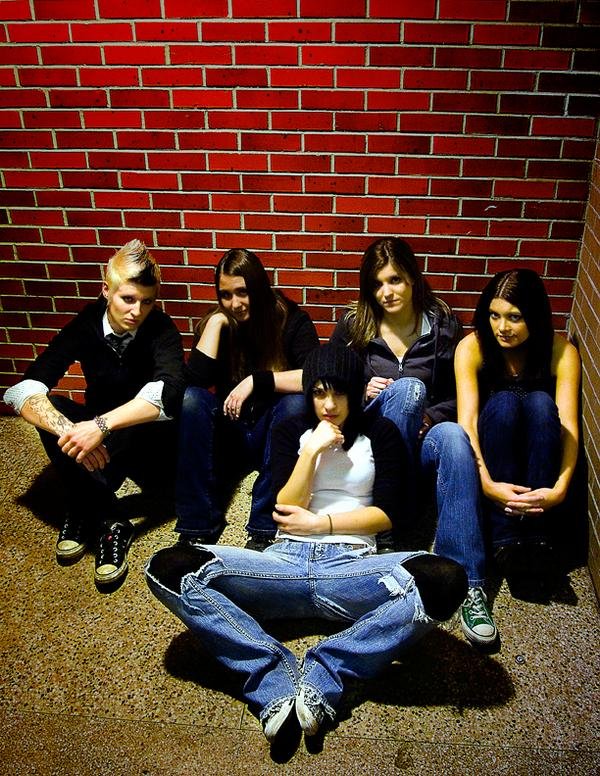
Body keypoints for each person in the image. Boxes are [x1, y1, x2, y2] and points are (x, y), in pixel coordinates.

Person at [145, 344, 467, 745]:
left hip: (351, 568)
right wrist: (312, 449)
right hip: (282, 564)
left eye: (339, 392)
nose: (329, 405)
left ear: (355, 390)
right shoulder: (291, 432)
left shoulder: (380, 432)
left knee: (445, 580)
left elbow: (387, 515)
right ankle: (270, 676)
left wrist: (321, 522)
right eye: (318, 392)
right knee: (167, 568)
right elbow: (285, 506)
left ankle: (328, 670)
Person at [330, 236, 497, 646]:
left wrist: (431, 417)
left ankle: (469, 583)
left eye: (395, 280)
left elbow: (460, 396)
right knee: (407, 390)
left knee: (453, 436)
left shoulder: (443, 325)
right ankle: (385, 524)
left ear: (412, 279)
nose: (386, 292)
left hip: (421, 442)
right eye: (377, 284)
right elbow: (326, 387)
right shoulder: (354, 325)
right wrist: (360, 392)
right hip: (369, 446)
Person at [3, 239, 185, 586]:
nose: (137, 311)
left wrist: (100, 425)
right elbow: (25, 389)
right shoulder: (86, 323)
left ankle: (84, 504)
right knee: (51, 409)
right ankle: (111, 518)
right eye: (128, 299)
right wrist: (73, 432)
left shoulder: (161, 327)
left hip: (143, 432)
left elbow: (169, 393)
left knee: (151, 409)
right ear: (106, 291)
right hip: (99, 435)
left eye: (147, 301)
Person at [175, 248, 319, 551]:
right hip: (230, 433)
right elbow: (193, 384)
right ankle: (197, 525)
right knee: (192, 400)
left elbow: (315, 377)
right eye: (225, 295)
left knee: (295, 403)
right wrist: (216, 323)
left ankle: (264, 527)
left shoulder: (292, 320)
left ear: (259, 287)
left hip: (272, 435)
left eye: (243, 292)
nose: (235, 304)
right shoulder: (219, 323)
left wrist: (256, 380)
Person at [454, 269, 581, 600]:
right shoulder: (473, 347)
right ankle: (506, 543)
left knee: (539, 402)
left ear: (535, 318)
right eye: (494, 315)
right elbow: (467, 422)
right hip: (494, 464)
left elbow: (569, 427)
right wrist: (487, 485)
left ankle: (538, 542)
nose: (502, 327)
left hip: (541, 465)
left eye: (514, 317)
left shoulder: (560, 351)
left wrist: (560, 490)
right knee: (505, 403)